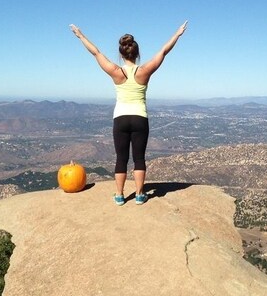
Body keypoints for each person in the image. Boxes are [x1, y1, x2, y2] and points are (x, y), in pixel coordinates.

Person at [69, 21, 188, 205]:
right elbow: (164, 51)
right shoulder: (145, 71)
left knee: (121, 158)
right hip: (140, 118)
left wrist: (80, 35)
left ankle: (119, 195)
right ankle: (140, 195)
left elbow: (96, 52)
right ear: (137, 53)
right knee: (139, 158)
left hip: (121, 118)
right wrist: (177, 34)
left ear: (121, 53)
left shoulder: (116, 72)